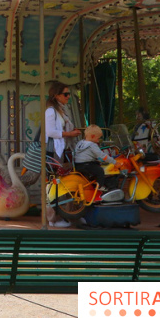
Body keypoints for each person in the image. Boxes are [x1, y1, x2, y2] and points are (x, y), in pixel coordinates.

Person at [44, 81, 81, 227]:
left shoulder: (62, 110)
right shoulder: (51, 111)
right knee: (54, 184)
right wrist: (69, 133)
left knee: (67, 182)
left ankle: (70, 214)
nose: (68, 97)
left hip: (64, 149)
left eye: (69, 94)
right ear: (56, 95)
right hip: (54, 151)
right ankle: (53, 218)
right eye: (65, 94)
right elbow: (50, 132)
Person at [74, 124, 117, 189]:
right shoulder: (92, 145)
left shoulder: (80, 143)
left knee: (96, 165)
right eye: (98, 138)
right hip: (86, 165)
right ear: (93, 136)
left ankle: (93, 183)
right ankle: (99, 186)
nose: (99, 140)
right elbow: (102, 156)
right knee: (100, 171)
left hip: (77, 165)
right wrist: (114, 162)